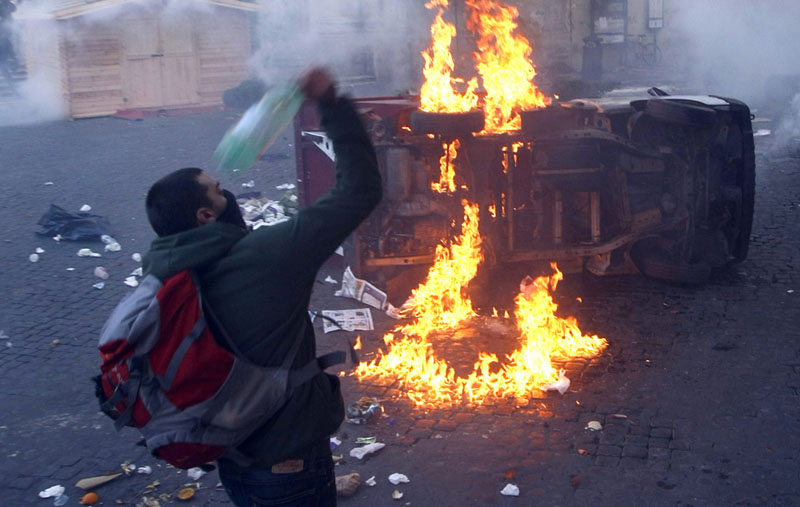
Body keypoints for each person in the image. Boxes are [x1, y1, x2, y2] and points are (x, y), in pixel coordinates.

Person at [142, 67, 382, 506]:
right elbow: (360, 190)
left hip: (232, 452)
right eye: (217, 191)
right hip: (288, 461)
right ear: (204, 216)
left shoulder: (163, 271)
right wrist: (331, 103)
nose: (226, 191)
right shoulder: (265, 256)